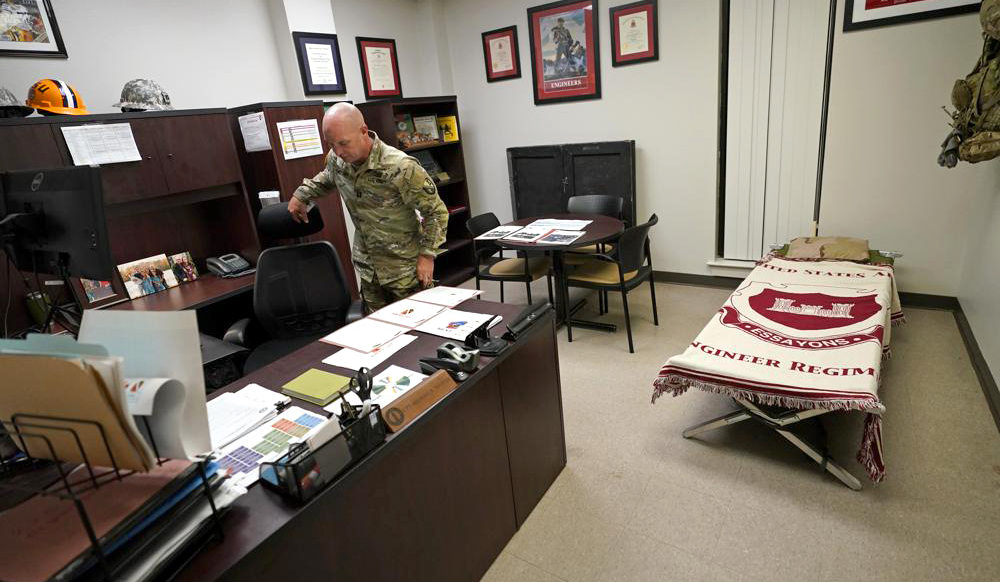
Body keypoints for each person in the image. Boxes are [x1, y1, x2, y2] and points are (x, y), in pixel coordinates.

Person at [289, 103, 449, 312]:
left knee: (417, 332)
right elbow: (329, 176)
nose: (338, 152)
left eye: (343, 143)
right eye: (331, 144)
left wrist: (427, 255)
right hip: (368, 269)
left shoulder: (401, 166)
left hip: (404, 269)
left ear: (363, 131)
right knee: (379, 333)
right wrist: (301, 194)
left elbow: (436, 212)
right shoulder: (337, 160)